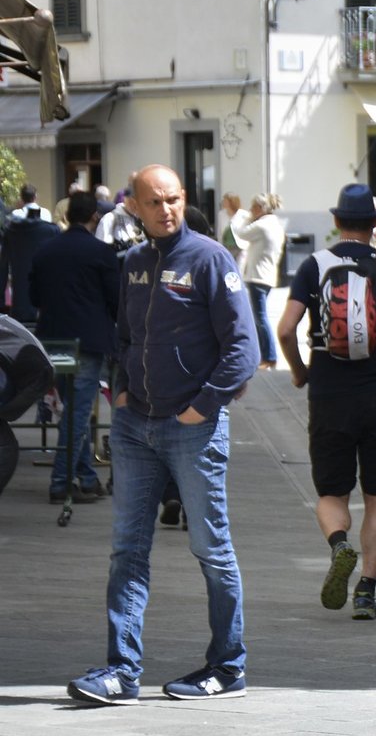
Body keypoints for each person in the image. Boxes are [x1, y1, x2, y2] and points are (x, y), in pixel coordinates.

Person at [66, 164, 259, 706]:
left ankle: (227, 666)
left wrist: (202, 408)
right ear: (135, 208)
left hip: (191, 430)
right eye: (155, 202)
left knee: (211, 550)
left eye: (174, 199)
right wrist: (122, 392)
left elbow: (243, 349)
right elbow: (124, 338)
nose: (167, 210)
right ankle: (121, 671)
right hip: (134, 428)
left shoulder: (210, 258)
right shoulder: (131, 262)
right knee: (126, 550)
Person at [277, 184, 376, 621]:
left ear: (337, 222)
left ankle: (341, 545)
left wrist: (301, 372)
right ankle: (367, 591)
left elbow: (285, 329)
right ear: (374, 225)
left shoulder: (314, 265)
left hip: (329, 394)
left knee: (331, 491)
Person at [29, 191, 120, 505]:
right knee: (78, 415)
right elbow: (116, 300)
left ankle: (87, 477)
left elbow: (34, 298)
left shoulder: (45, 251)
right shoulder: (101, 253)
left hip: (54, 339)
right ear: (94, 216)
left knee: (72, 412)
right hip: (88, 341)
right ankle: (60, 482)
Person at [230, 193, 285, 370]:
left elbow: (240, 233)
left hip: (257, 276)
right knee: (260, 318)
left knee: (260, 318)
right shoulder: (275, 224)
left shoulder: (261, 225)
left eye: (253, 207)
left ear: (260, 209)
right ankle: (266, 355)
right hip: (267, 275)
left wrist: (245, 218)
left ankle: (269, 357)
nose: (251, 210)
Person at [1, 185, 59, 325]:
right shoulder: (47, 221)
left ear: (21, 198)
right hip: (43, 278)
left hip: (20, 275)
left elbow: (3, 263)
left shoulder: (13, 222)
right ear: (36, 196)